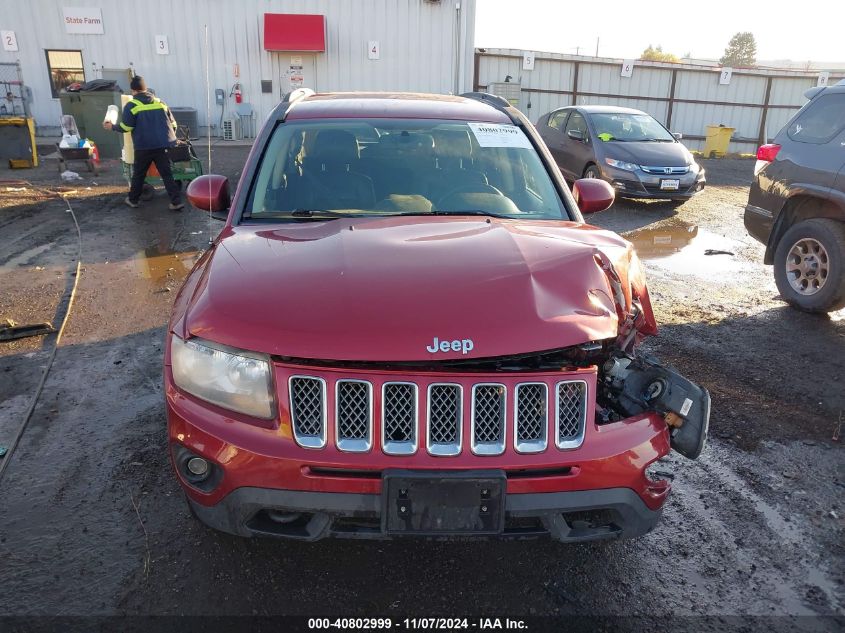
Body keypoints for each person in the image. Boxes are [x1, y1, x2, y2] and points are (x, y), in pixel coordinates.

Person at [103, 75, 184, 210]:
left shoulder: (132, 105)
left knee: (139, 174)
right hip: (163, 146)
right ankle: (176, 202)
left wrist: (112, 127)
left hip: (144, 147)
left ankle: (133, 200)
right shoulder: (160, 102)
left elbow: (126, 127)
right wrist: (168, 139)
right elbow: (173, 124)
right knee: (167, 174)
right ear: (145, 89)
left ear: (133, 91)